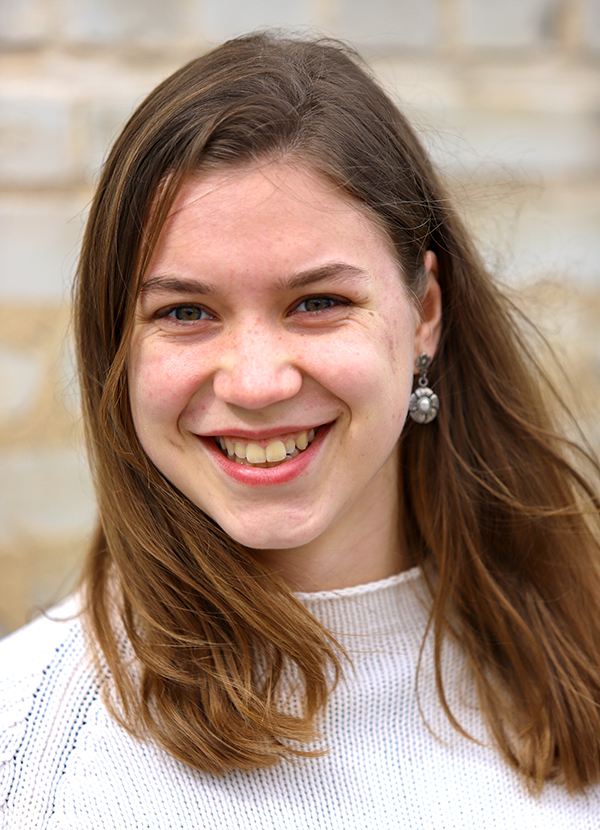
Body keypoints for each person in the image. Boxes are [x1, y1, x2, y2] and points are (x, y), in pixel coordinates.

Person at [1, 31, 600, 829]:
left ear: (423, 311)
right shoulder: (29, 753)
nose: (255, 382)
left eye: (317, 303)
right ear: (118, 346)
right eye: (185, 312)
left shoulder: (578, 665)